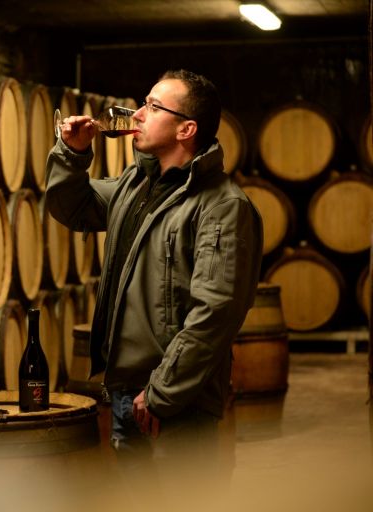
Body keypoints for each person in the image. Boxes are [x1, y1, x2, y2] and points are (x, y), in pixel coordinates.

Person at [46, 70, 262, 487]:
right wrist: (71, 154)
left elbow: (215, 313)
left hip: (177, 402)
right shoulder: (137, 185)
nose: (139, 114)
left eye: (153, 106)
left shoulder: (222, 206)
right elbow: (74, 209)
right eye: (143, 103)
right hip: (128, 392)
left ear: (187, 128)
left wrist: (163, 393)